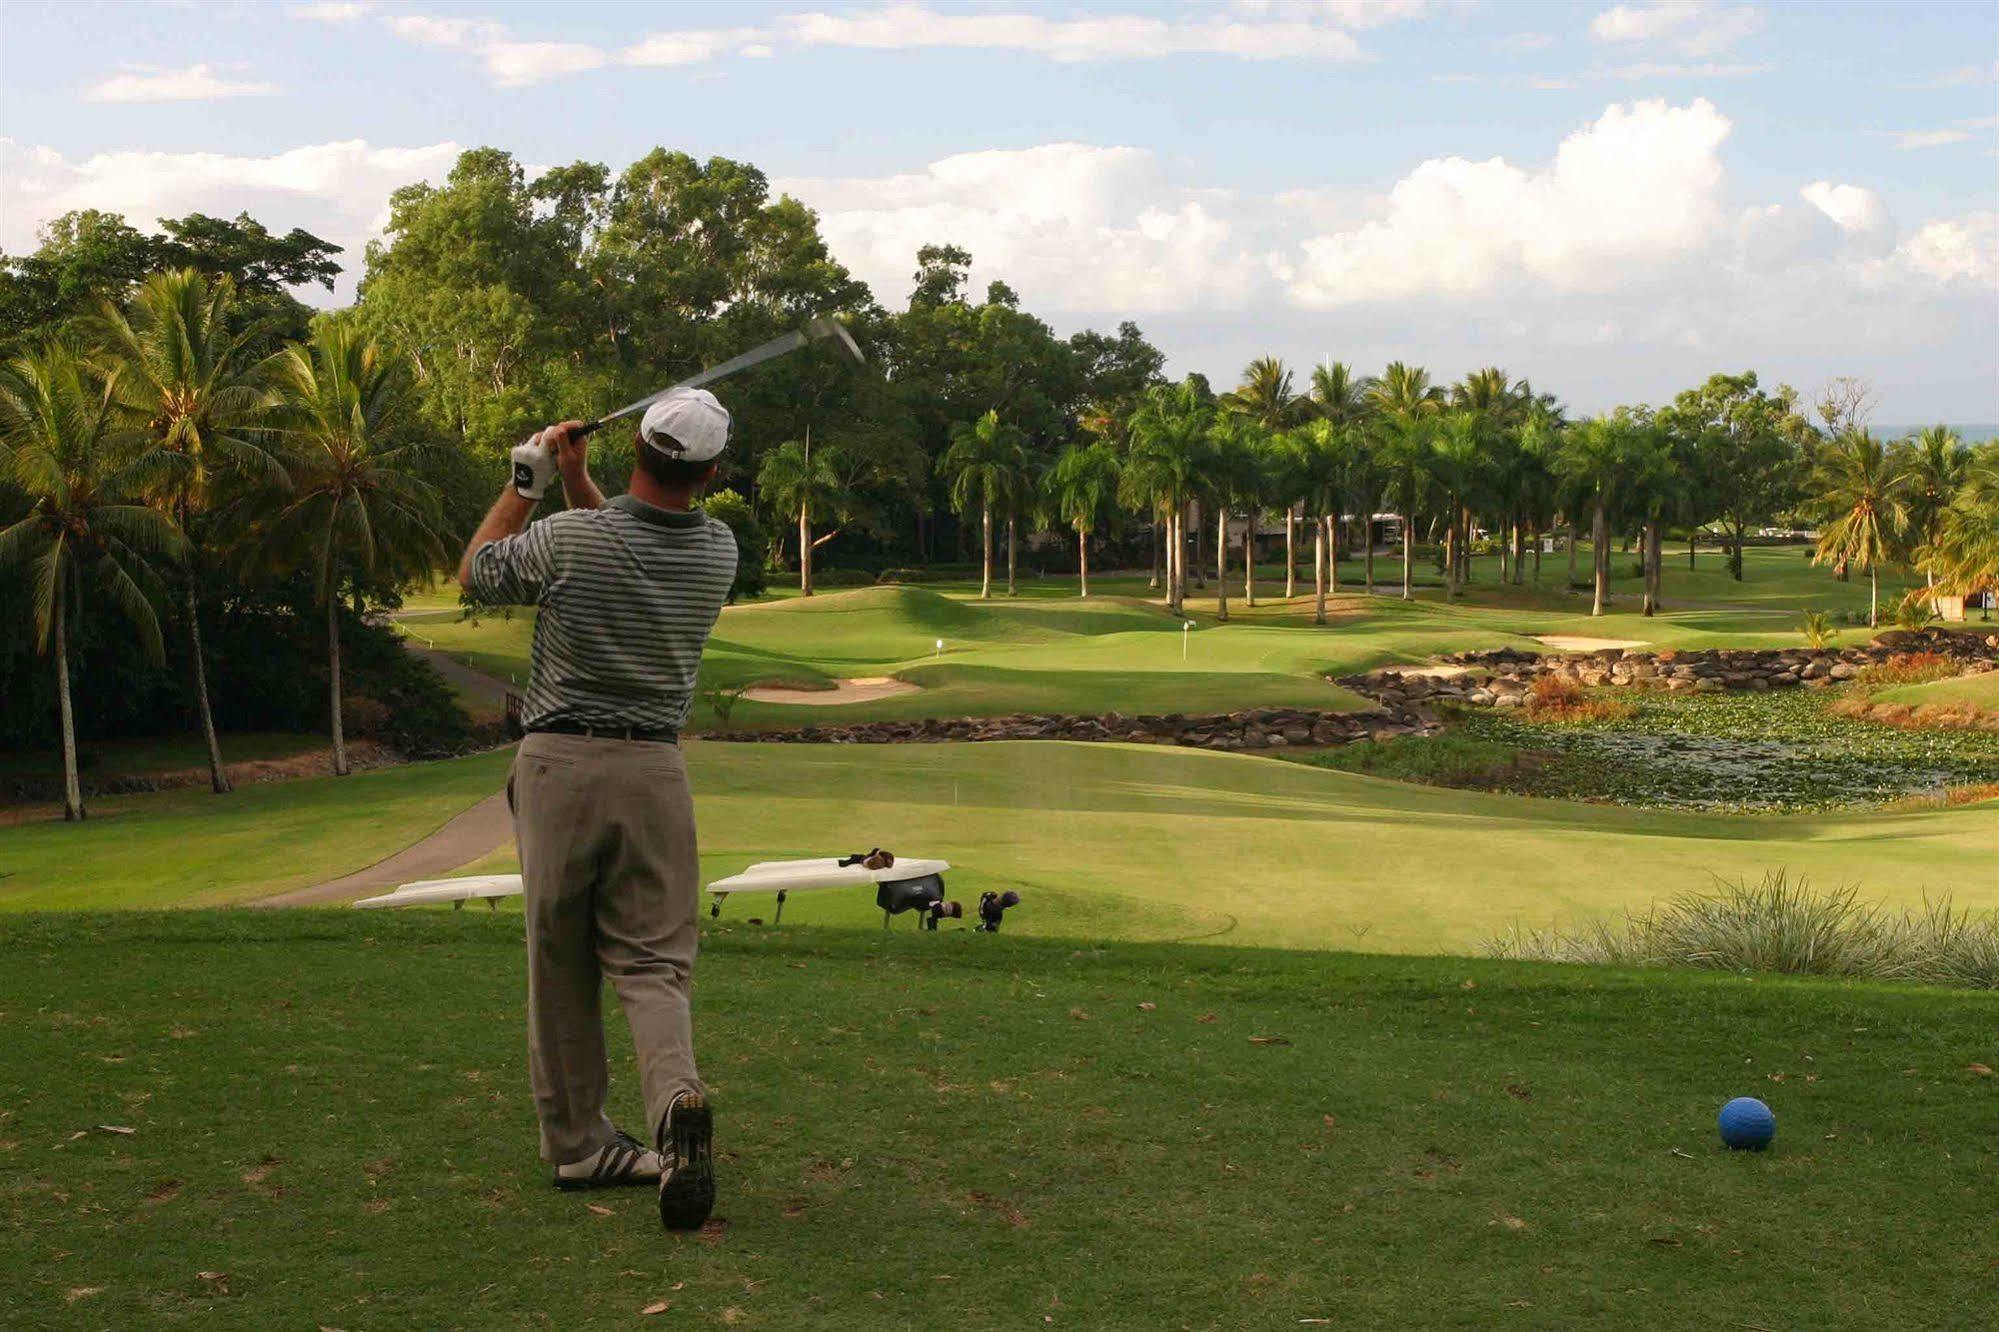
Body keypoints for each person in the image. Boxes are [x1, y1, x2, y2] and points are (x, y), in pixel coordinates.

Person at [457, 389, 738, 1231]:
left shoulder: (573, 536)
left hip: (559, 767)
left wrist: (530, 478)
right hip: (653, 771)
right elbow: (632, 546)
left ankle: (579, 1143)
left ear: (637, 452)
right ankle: (674, 1104)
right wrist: (580, 480)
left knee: (561, 962)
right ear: (711, 472)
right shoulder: (718, 551)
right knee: (652, 965)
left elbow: (475, 571)